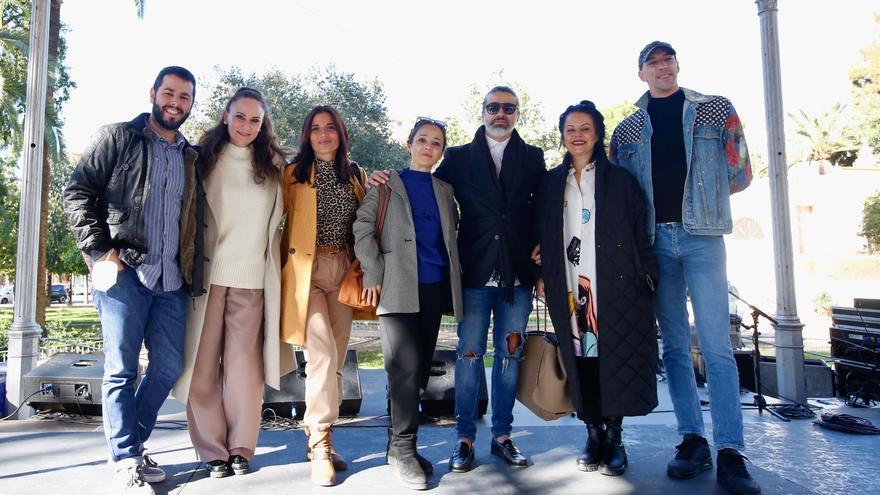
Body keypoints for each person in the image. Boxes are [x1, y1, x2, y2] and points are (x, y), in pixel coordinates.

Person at [369, 87, 547, 471]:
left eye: (509, 108)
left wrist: (543, 249)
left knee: (509, 356)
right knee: (468, 357)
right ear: (483, 111)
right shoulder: (458, 158)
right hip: (473, 272)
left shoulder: (532, 157)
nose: (501, 114)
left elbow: (546, 208)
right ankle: (464, 438)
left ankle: (502, 434)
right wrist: (380, 178)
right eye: (493, 107)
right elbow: (423, 183)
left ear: (517, 113)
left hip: (518, 274)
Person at [609, 41, 759, 495]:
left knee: (716, 345)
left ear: (677, 66)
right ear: (641, 74)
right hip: (655, 242)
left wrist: (702, 206)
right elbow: (622, 190)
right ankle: (692, 439)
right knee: (673, 346)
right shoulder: (628, 129)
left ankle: (731, 449)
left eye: (667, 60)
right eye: (652, 63)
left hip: (702, 237)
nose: (662, 67)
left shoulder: (715, 110)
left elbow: (741, 171)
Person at [63, 66, 205, 494]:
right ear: (153, 93)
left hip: (172, 279)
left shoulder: (190, 155)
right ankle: (126, 458)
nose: (175, 102)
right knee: (121, 370)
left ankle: (131, 445)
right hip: (123, 270)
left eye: (184, 97)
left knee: (169, 368)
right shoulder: (118, 138)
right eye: (169, 93)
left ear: (190, 104)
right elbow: (77, 192)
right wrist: (99, 250)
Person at [171, 87, 295, 479]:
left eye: (254, 119)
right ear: (226, 116)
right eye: (239, 117)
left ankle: (241, 448)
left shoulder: (276, 167)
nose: (246, 125)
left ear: (263, 124)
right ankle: (212, 451)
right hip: (205, 281)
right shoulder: (200, 159)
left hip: (254, 282)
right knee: (201, 369)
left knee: (245, 373)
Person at [534, 101, 659, 477]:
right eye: (571, 128)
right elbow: (539, 231)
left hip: (615, 285)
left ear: (598, 134)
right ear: (563, 135)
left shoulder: (620, 181)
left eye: (585, 128)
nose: (577, 135)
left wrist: (647, 275)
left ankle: (615, 436)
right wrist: (538, 270)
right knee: (582, 360)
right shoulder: (550, 183)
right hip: (570, 286)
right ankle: (592, 432)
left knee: (614, 359)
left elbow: (642, 234)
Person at [353, 117, 463, 490]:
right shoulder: (386, 184)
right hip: (396, 287)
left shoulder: (445, 189)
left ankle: (398, 445)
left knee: (416, 374)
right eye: (422, 140)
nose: (428, 147)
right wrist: (372, 272)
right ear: (409, 144)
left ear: (441, 151)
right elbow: (362, 229)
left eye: (436, 142)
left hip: (433, 287)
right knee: (404, 368)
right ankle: (403, 449)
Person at [279, 105, 369, 487]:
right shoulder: (293, 174)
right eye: (315, 129)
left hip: (343, 270)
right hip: (307, 273)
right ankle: (319, 443)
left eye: (330, 128)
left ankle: (322, 438)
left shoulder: (356, 174)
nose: (323, 134)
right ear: (307, 135)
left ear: (340, 133)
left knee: (334, 362)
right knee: (321, 354)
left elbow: (368, 219)